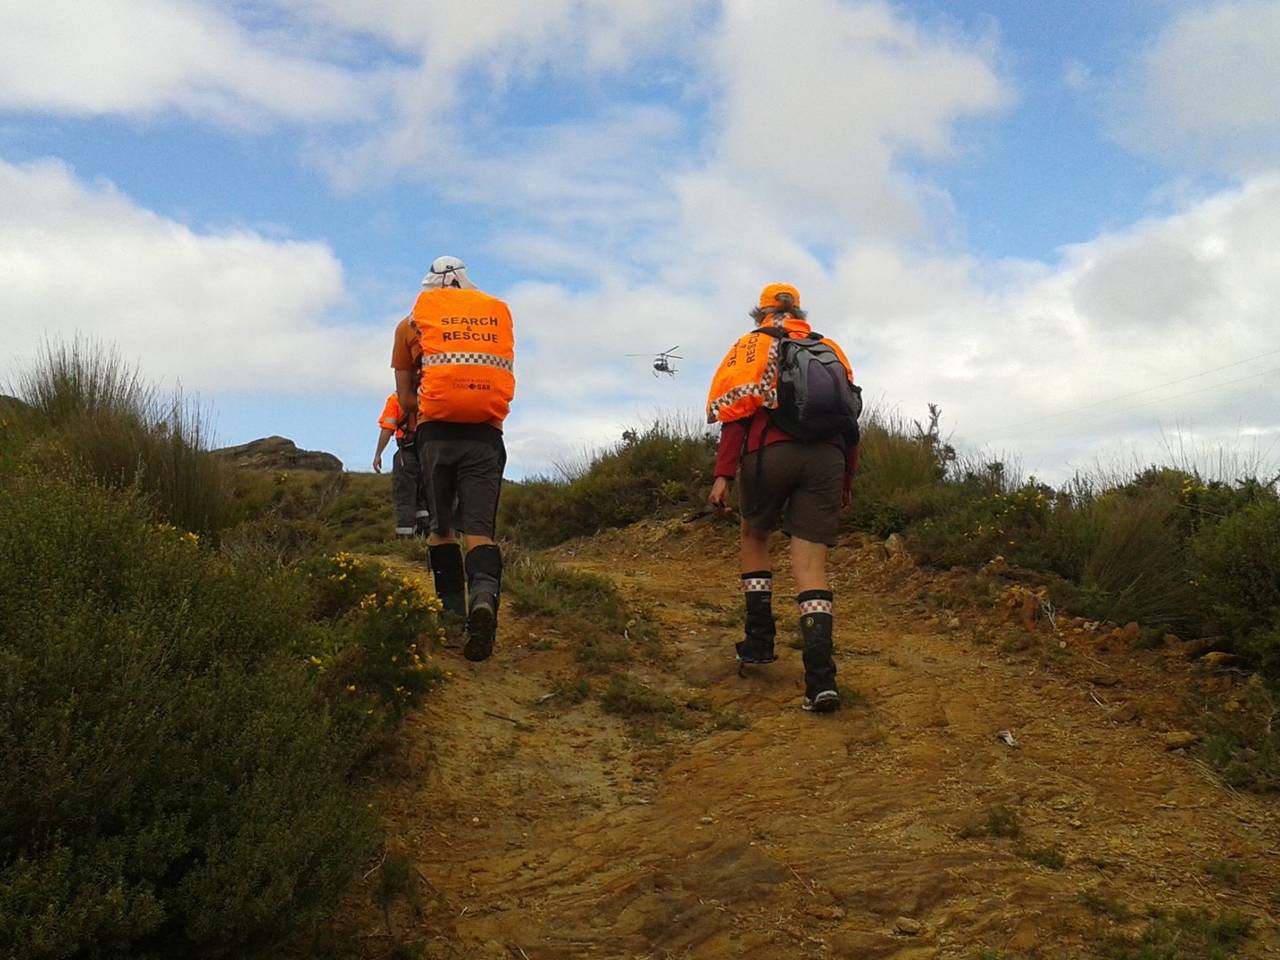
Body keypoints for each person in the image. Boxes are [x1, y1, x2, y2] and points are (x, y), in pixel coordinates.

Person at [705, 283, 861, 713]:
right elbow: (850, 421)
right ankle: (820, 680)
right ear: (798, 312)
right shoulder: (829, 348)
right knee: (811, 567)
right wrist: (846, 477)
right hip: (827, 459)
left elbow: (736, 417)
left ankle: (758, 641)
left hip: (768, 453)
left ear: (761, 313)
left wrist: (722, 476)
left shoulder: (751, 346)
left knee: (755, 536)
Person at [390, 256, 515, 662]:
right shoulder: (492, 321)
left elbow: (405, 399)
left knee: (441, 530)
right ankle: (483, 600)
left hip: (435, 437)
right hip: (485, 436)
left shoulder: (409, 326)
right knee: (478, 531)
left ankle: (451, 618)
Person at [373, 392, 430, 538]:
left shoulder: (397, 399)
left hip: (407, 454)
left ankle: (405, 540)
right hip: (432, 455)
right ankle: (427, 535)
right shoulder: (432, 394)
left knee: (405, 498)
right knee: (425, 499)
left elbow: (388, 427)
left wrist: (378, 454)